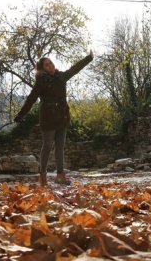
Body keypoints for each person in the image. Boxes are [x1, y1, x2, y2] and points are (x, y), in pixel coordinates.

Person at [14, 51, 93, 185]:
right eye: (46, 64)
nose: (50, 65)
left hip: (62, 116)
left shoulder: (61, 76)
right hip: (48, 117)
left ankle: (60, 176)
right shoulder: (41, 82)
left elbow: (75, 69)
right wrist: (21, 114)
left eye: (50, 62)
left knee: (60, 146)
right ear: (42, 68)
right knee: (48, 145)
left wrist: (88, 58)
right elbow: (31, 99)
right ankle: (42, 176)